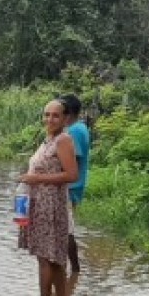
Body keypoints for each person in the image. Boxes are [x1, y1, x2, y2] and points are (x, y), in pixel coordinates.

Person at [19, 100, 79, 296]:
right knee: (53, 260)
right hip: (39, 204)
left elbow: (72, 175)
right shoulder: (49, 139)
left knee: (45, 259)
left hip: (51, 206)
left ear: (64, 119)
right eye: (46, 114)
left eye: (55, 115)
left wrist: (37, 179)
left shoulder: (63, 140)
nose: (50, 119)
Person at [61, 94, 90, 275]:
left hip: (70, 187)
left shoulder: (74, 132)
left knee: (66, 230)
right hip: (74, 186)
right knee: (66, 229)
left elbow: (74, 159)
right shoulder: (80, 128)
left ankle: (74, 270)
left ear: (68, 112)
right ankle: (70, 272)